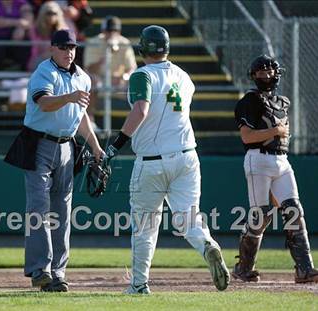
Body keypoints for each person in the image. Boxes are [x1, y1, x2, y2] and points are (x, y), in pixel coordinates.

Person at [104, 25, 230, 294]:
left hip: (152, 160)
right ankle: (206, 244)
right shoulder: (184, 76)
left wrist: (117, 145)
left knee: (145, 226)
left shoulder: (142, 75)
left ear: (142, 48)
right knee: (188, 218)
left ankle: (139, 284)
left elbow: (141, 109)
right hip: (187, 156)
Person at [4, 29, 104, 292]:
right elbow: (44, 103)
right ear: (52, 49)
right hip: (39, 143)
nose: (68, 51)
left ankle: (58, 273)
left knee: (62, 212)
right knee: (38, 208)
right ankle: (41, 270)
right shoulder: (43, 72)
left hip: (67, 147)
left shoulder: (83, 77)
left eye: (72, 46)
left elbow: (81, 116)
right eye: (62, 47)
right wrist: (70, 97)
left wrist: (95, 146)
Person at [233, 55, 318, 283]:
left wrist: (277, 132)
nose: (266, 75)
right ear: (253, 76)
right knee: (259, 216)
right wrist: (274, 132)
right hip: (257, 159)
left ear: (277, 74)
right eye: (261, 72)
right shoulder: (248, 101)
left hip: (282, 160)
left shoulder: (283, 102)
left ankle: (304, 269)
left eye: (269, 71)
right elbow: (247, 136)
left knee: (294, 211)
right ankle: (243, 267)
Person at [83, 15, 137, 125]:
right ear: (103, 31)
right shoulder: (94, 42)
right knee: (91, 81)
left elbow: (132, 68)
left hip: (119, 82)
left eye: (115, 30)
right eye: (109, 30)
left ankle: (135, 124)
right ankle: (90, 120)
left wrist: (124, 77)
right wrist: (106, 55)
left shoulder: (124, 43)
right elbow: (89, 68)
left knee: (139, 85)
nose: (112, 33)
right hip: (99, 81)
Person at [0, 0, 33, 70]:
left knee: (24, 45)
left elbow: (28, 21)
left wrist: (21, 29)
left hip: (15, 38)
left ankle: (23, 76)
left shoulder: (22, 2)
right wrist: (18, 23)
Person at [27, 1, 68, 71]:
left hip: (57, 61)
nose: (52, 16)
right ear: (43, 14)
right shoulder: (35, 29)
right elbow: (35, 49)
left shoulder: (64, 31)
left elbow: (64, 50)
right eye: (49, 13)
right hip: (38, 60)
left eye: (54, 13)